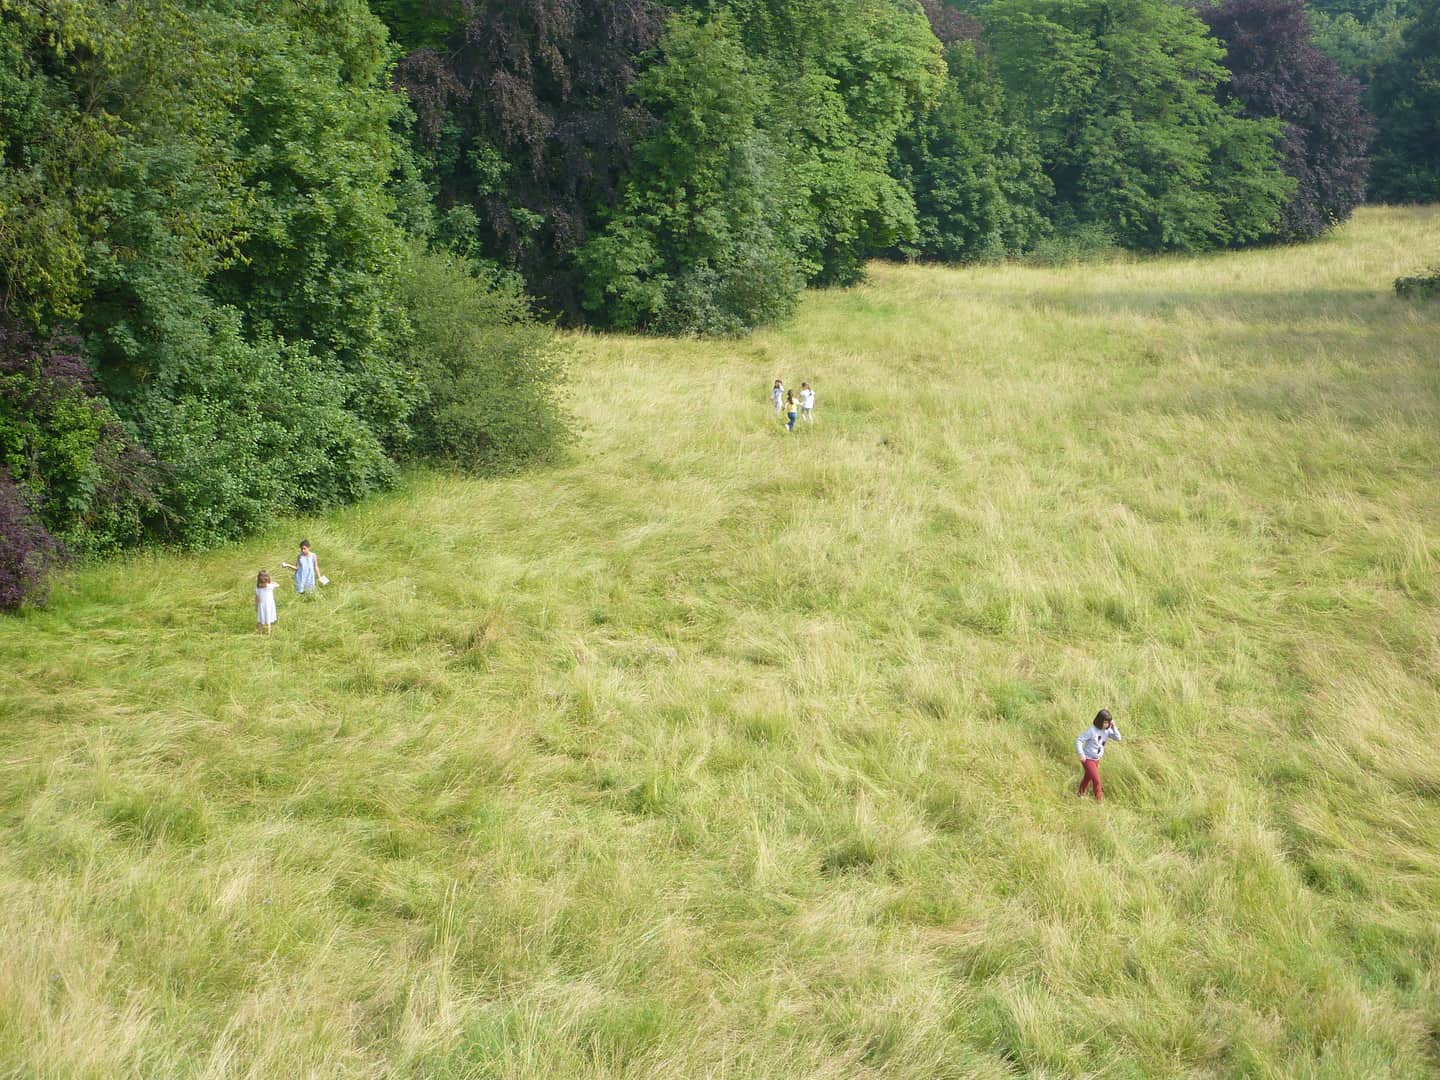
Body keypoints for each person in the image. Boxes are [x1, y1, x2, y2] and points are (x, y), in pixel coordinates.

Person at [1075, 708, 1122, 801]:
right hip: (1088, 759)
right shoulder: (1092, 731)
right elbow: (1079, 740)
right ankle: (1099, 801)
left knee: (1088, 777)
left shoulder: (1107, 730)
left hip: (1096, 759)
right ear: (1099, 721)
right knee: (1097, 780)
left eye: (1108, 723)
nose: (1107, 725)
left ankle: (1080, 794)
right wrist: (1081, 753)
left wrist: (1114, 726)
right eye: (1105, 722)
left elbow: (1118, 738)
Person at [255, 570, 280, 635]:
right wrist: (270, 581)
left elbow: (257, 597)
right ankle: (268, 634)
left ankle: (260, 633)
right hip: (269, 605)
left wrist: (256, 606)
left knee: (260, 619)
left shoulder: (258, 587)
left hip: (261, 605)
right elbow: (277, 585)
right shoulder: (270, 586)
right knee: (268, 620)